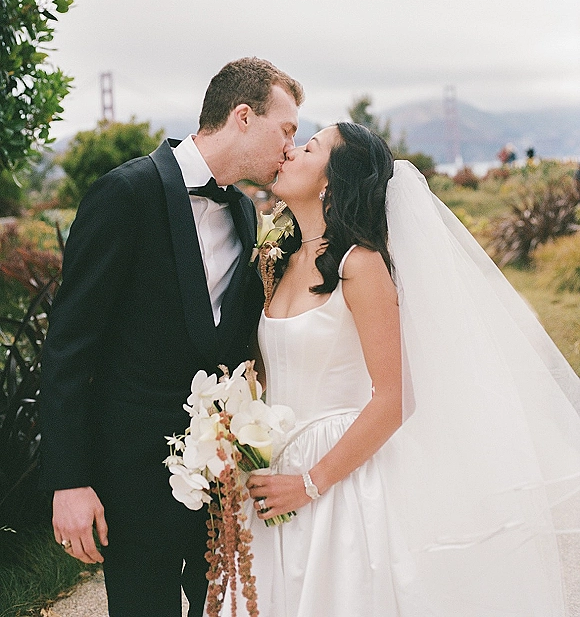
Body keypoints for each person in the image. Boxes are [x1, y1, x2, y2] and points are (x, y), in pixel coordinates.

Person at [237, 122, 580, 616]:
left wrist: (310, 483)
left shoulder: (361, 265)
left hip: (335, 476)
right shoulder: (281, 258)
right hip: (274, 471)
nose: (289, 152)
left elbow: (394, 399)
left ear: (332, 180)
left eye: (308, 147)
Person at [39, 57, 303, 617]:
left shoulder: (244, 214)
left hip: (215, 482)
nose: (289, 147)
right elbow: (68, 344)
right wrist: (69, 481)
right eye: (286, 130)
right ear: (242, 117)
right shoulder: (123, 194)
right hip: (129, 481)